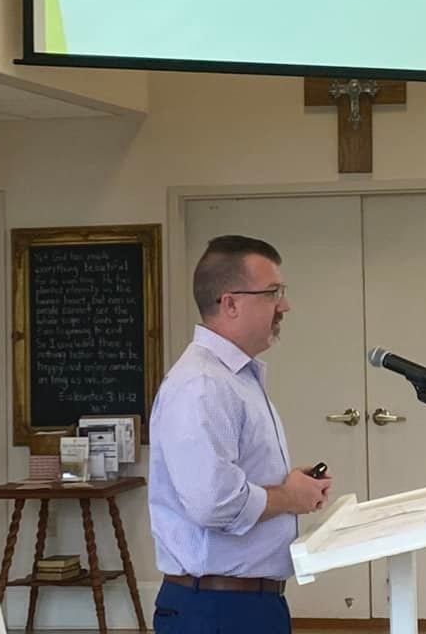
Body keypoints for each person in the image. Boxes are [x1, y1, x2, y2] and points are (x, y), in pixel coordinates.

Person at [149, 234, 333, 634]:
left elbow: (228, 478)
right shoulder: (201, 384)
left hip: (244, 604)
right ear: (230, 303)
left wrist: (291, 485)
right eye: (272, 293)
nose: (284, 305)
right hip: (216, 609)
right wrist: (288, 497)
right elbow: (213, 502)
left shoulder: (235, 378)